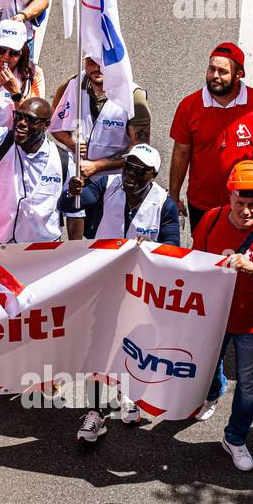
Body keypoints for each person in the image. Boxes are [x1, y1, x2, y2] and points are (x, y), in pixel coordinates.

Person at [61, 144, 179, 441]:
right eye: (128, 167)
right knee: (97, 347)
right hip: (102, 282)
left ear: (151, 175)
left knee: (131, 346)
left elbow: (173, 250)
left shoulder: (164, 203)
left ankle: (129, 395)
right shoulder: (106, 184)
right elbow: (73, 204)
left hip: (139, 290)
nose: (129, 174)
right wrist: (73, 190)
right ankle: (95, 412)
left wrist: (149, 249)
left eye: (138, 171)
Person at [183, 161, 253, 471]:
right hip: (213, 319)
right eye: (240, 203)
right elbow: (195, 264)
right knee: (205, 368)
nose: (246, 211)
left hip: (251, 323)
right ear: (229, 195)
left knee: (248, 385)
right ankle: (214, 390)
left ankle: (234, 438)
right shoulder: (210, 220)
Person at [169, 42, 253, 232]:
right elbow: (181, 153)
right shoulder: (189, 106)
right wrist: (173, 196)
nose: (214, 76)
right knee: (203, 255)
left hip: (243, 203)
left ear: (238, 75)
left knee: (238, 258)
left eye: (222, 71)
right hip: (202, 203)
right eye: (211, 69)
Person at [0, 97, 81, 243]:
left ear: (46, 125)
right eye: (19, 116)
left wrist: (75, 255)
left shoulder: (63, 161)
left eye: (30, 120)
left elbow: (75, 213)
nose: (22, 123)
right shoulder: (0, 142)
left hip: (43, 253)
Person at [50, 56, 152, 178]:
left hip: (113, 181)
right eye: (91, 62)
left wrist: (97, 166)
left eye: (103, 63)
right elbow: (52, 121)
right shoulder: (72, 84)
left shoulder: (134, 96)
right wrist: (70, 142)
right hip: (74, 176)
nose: (97, 68)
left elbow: (140, 150)